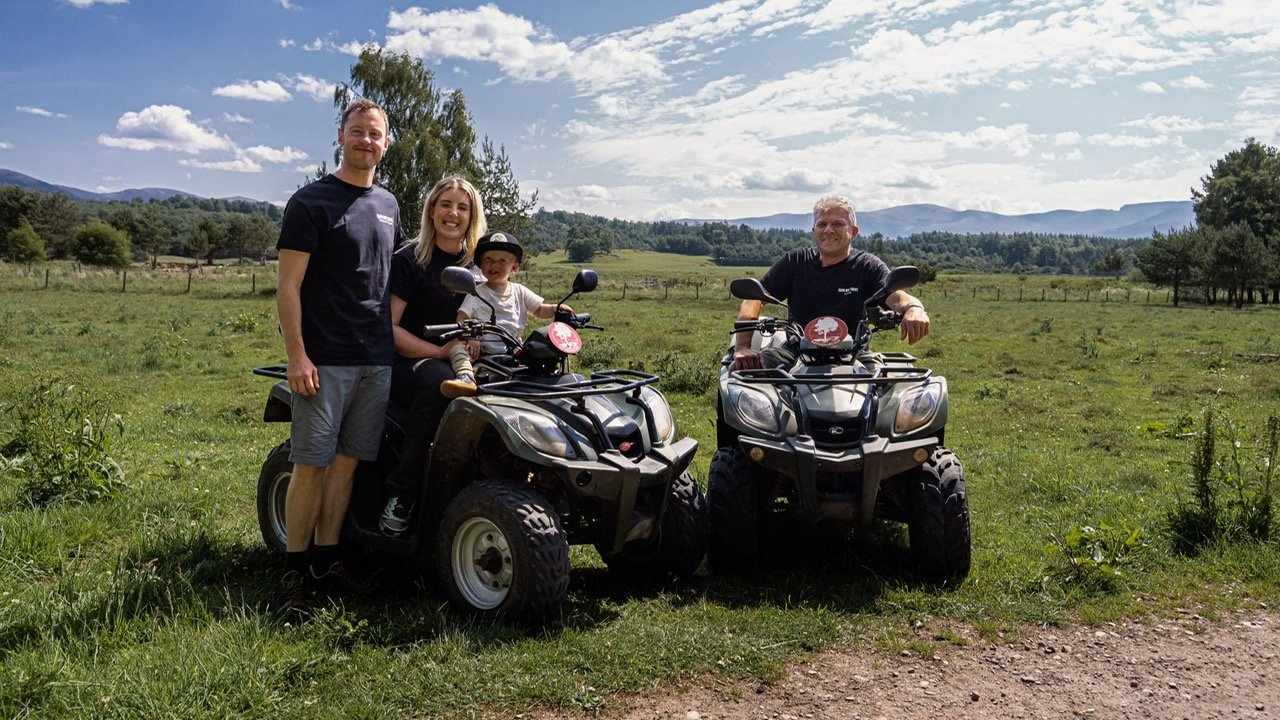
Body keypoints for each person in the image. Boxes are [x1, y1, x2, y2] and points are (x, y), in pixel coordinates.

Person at [275, 98, 402, 608]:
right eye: (357, 132)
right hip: (323, 360)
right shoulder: (310, 203)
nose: (366, 141)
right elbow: (288, 286)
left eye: (375, 134)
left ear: (386, 143)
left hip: (377, 358)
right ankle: (293, 571)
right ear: (341, 136)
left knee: (348, 465)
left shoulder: (390, 205)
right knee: (311, 464)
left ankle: (327, 564)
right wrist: (297, 356)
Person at [378, 175, 487, 538]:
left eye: (462, 207)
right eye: (446, 204)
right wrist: (439, 350)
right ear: (431, 210)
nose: (453, 213)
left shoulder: (478, 266)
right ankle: (402, 494)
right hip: (409, 362)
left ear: (472, 216)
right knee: (441, 382)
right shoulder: (411, 259)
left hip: (460, 360)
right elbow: (390, 329)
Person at [729, 195, 929, 372]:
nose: (828, 230)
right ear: (814, 230)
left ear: (854, 231)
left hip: (855, 355)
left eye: (838, 224)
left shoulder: (867, 266)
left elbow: (896, 296)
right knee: (744, 377)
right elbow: (753, 299)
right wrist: (743, 347)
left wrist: (913, 309)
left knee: (888, 394)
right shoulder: (796, 262)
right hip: (796, 351)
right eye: (822, 224)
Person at [439, 231, 566, 398]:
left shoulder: (520, 291)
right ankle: (466, 378)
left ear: (514, 267)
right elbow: (462, 317)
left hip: (513, 349)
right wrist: (473, 337)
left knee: (540, 354)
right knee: (456, 348)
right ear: (481, 265)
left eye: (502, 261)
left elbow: (539, 309)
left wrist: (557, 308)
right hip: (480, 350)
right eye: (488, 260)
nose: (494, 265)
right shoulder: (476, 293)